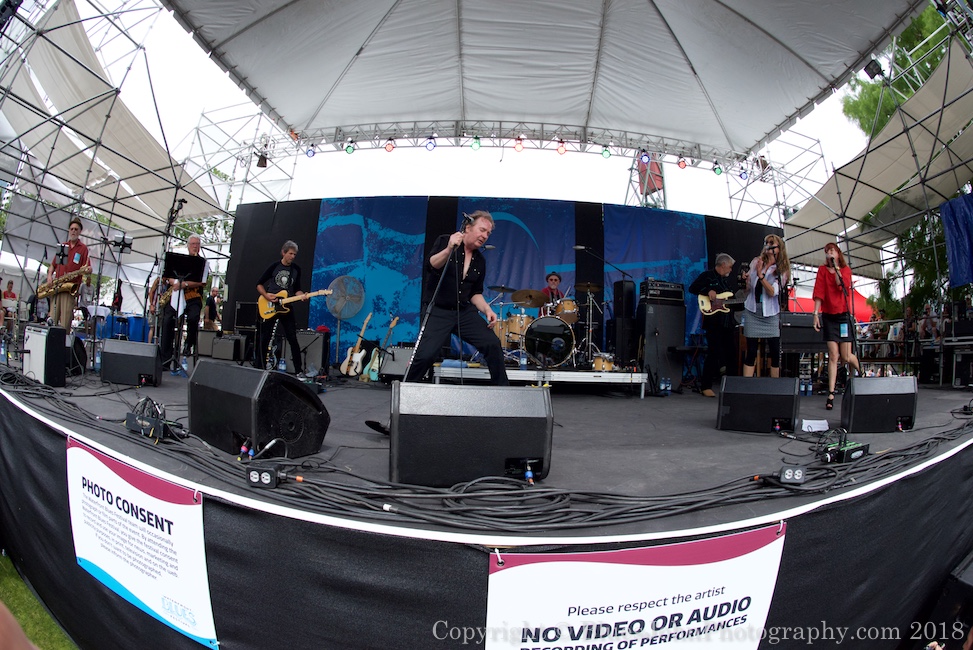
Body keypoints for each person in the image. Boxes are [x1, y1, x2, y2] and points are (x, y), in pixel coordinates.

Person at [404, 210, 508, 385]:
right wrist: (449, 249)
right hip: (438, 310)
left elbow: (475, 292)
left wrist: (487, 309)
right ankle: (406, 391)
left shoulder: (479, 260)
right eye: (482, 230)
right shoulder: (446, 241)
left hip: (463, 312)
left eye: (488, 233)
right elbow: (432, 265)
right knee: (425, 355)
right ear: (467, 228)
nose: (485, 236)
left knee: (492, 344)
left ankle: (504, 392)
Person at [812, 242, 861, 410]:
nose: (829, 253)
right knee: (833, 355)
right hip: (829, 317)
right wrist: (815, 314)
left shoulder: (845, 271)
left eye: (832, 250)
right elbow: (819, 292)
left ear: (838, 253)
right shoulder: (822, 270)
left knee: (845, 357)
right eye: (827, 251)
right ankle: (831, 394)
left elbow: (842, 285)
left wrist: (837, 268)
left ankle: (860, 372)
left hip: (843, 316)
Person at [688, 252, 737, 397]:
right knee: (713, 352)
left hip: (727, 322)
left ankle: (733, 385)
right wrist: (707, 290)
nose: (730, 270)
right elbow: (693, 288)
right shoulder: (707, 276)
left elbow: (732, 301)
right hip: (714, 322)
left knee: (731, 354)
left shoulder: (726, 282)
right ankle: (706, 385)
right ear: (723, 265)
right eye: (729, 267)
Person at [256, 241, 308, 377]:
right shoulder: (274, 266)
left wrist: (302, 295)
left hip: (286, 306)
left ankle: (299, 370)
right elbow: (259, 284)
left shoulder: (296, 269)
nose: (292, 257)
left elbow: (296, 289)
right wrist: (266, 296)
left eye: (294, 254)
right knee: (265, 337)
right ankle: (260, 367)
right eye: (290, 253)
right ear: (283, 253)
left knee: (292, 338)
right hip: (271, 304)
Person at [742, 234, 789, 378]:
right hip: (753, 310)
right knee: (751, 350)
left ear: (779, 248)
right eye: (766, 242)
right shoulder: (756, 262)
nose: (768, 245)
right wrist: (745, 280)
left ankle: (774, 386)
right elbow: (748, 289)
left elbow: (773, 291)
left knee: (774, 351)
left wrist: (760, 275)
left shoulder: (782, 269)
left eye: (771, 243)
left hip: (771, 313)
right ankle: (746, 385)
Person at [160, 234, 208, 370]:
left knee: (193, 318)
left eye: (197, 244)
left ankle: (188, 343)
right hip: (176, 296)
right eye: (193, 244)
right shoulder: (179, 261)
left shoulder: (203, 263)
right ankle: (166, 359)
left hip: (193, 297)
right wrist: (173, 281)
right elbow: (167, 276)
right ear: (188, 245)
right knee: (167, 320)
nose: (195, 246)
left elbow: (202, 281)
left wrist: (184, 284)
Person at [46, 217, 90, 330]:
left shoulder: (83, 249)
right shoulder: (63, 246)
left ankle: (62, 345)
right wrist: (49, 276)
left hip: (70, 289)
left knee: (65, 323)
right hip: (57, 286)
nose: (73, 231)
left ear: (80, 231)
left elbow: (88, 268)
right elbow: (52, 265)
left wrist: (88, 270)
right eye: (71, 229)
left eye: (76, 229)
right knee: (52, 320)